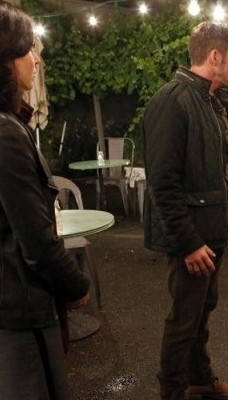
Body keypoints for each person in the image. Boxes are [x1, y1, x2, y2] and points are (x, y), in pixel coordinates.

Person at [142, 21, 228, 400]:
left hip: (211, 232)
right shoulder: (172, 101)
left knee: (202, 311)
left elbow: (225, 168)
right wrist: (188, 243)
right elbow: (162, 182)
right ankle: (171, 392)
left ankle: (200, 380)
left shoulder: (211, 100)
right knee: (184, 320)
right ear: (215, 57)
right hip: (193, 238)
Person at [0, 1, 91, 399]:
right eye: (28, 50)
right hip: (22, 308)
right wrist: (76, 284)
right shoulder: (6, 134)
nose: (36, 60)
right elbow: (36, 240)